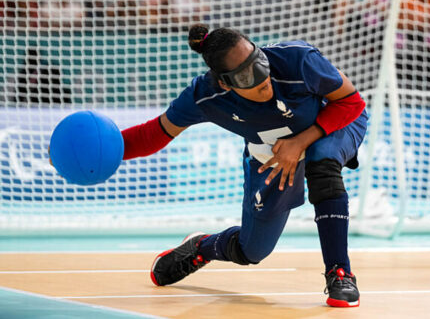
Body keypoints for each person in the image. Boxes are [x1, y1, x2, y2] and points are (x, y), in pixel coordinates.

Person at [120, 24, 367, 307]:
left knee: (322, 163)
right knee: (252, 251)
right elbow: (154, 134)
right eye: (247, 74)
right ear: (225, 83)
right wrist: (106, 152)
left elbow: (351, 102)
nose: (263, 76)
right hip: (269, 153)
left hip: (333, 125)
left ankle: (340, 274)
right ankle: (201, 247)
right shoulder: (205, 96)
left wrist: (300, 142)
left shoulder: (298, 60)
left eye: (259, 61)